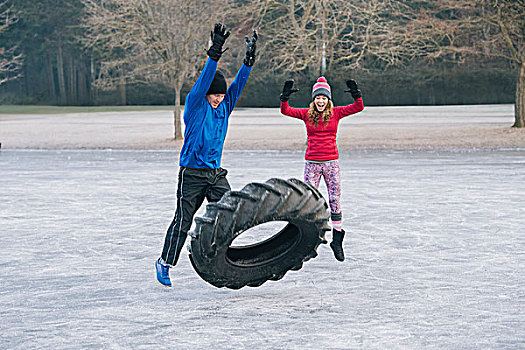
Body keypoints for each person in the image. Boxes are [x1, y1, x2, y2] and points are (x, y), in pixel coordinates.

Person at [156, 23, 258, 287]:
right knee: (183, 221)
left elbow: (238, 85)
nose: (217, 98)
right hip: (191, 174)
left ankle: (225, 258)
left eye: (220, 95)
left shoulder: (224, 108)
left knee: (230, 213)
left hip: (214, 174)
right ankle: (165, 262)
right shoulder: (195, 105)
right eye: (214, 94)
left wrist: (248, 61)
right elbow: (203, 83)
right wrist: (214, 54)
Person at [279, 76, 364, 262]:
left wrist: (356, 93)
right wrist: (285, 96)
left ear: (328, 100)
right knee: (310, 200)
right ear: (314, 99)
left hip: (332, 163)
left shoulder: (337, 113)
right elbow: (285, 111)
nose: (320, 101)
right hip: (312, 163)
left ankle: (337, 239)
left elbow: (359, 107)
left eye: (324, 98)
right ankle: (307, 239)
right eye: (318, 98)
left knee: (334, 198)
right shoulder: (306, 114)